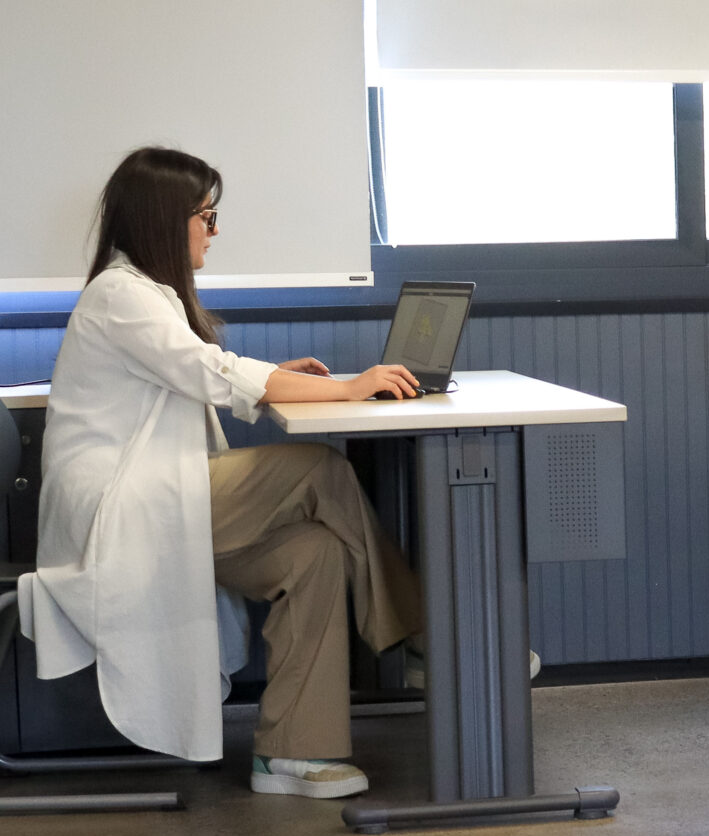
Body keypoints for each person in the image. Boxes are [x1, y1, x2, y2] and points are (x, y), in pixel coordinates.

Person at [22, 147, 434, 799]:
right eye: (206, 217)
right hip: (126, 514)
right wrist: (351, 386)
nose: (213, 231)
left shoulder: (146, 294)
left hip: (163, 498)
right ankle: (421, 642)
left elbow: (204, 367)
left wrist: (282, 380)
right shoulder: (120, 296)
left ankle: (291, 754)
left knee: (315, 552)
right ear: (166, 222)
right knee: (321, 474)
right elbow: (216, 374)